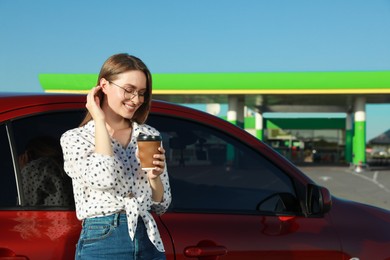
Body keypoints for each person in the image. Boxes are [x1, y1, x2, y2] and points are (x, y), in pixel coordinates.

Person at [60, 53, 171, 260]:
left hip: (148, 238)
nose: (136, 100)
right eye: (129, 90)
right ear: (104, 85)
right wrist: (99, 120)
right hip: (103, 239)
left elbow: (161, 204)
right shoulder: (75, 139)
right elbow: (104, 178)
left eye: (142, 93)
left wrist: (154, 176)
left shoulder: (149, 135)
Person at [19, 136, 73, 206]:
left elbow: (25, 205)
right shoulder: (69, 165)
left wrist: (24, 170)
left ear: (29, 154)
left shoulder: (34, 168)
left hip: (49, 216)